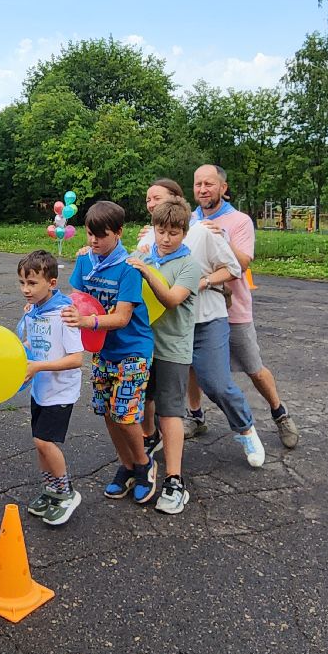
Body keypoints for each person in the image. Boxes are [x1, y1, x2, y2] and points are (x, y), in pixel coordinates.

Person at [137, 179, 266, 468]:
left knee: (216, 383)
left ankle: (245, 428)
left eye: (157, 197)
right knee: (154, 388)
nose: (151, 203)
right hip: (167, 327)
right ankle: (155, 436)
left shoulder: (201, 233)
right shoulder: (148, 240)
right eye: (148, 199)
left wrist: (202, 282)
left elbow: (234, 268)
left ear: (176, 199)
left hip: (206, 320)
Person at [191, 164, 298, 449]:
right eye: (198, 184)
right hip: (198, 309)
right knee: (192, 368)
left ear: (223, 188)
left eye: (209, 184)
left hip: (233, 310)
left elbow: (243, 263)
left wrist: (221, 237)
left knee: (253, 367)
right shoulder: (189, 220)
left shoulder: (239, 221)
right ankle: (196, 417)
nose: (203, 189)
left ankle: (280, 413)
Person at [63, 201, 156, 505]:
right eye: (90, 234)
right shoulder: (85, 261)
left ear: (118, 232)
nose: (93, 241)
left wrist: (88, 321)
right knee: (106, 412)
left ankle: (144, 465)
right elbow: (76, 299)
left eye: (100, 236)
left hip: (133, 350)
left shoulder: (128, 268)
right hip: (102, 351)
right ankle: (126, 466)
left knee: (124, 414)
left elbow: (123, 318)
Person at [127, 199, 201, 514]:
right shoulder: (144, 255)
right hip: (143, 347)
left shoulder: (189, 265)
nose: (166, 238)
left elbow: (171, 300)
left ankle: (174, 480)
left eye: (173, 232)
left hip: (173, 350)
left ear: (184, 232)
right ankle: (149, 440)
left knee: (171, 412)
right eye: (161, 231)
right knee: (144, 401)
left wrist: (145, 268)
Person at [17, 250, 84, 526]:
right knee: (40, 445)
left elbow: (76, 359)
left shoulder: (64, 314)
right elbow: (35, 344)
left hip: (61, 390)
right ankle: (51, 490)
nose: (25, 289)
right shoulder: (35, 311)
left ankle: (66, 492)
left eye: (32, 283)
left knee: (44, 441)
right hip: (40, 389)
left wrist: (38, 368)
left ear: (52, 283)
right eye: (22, 282)